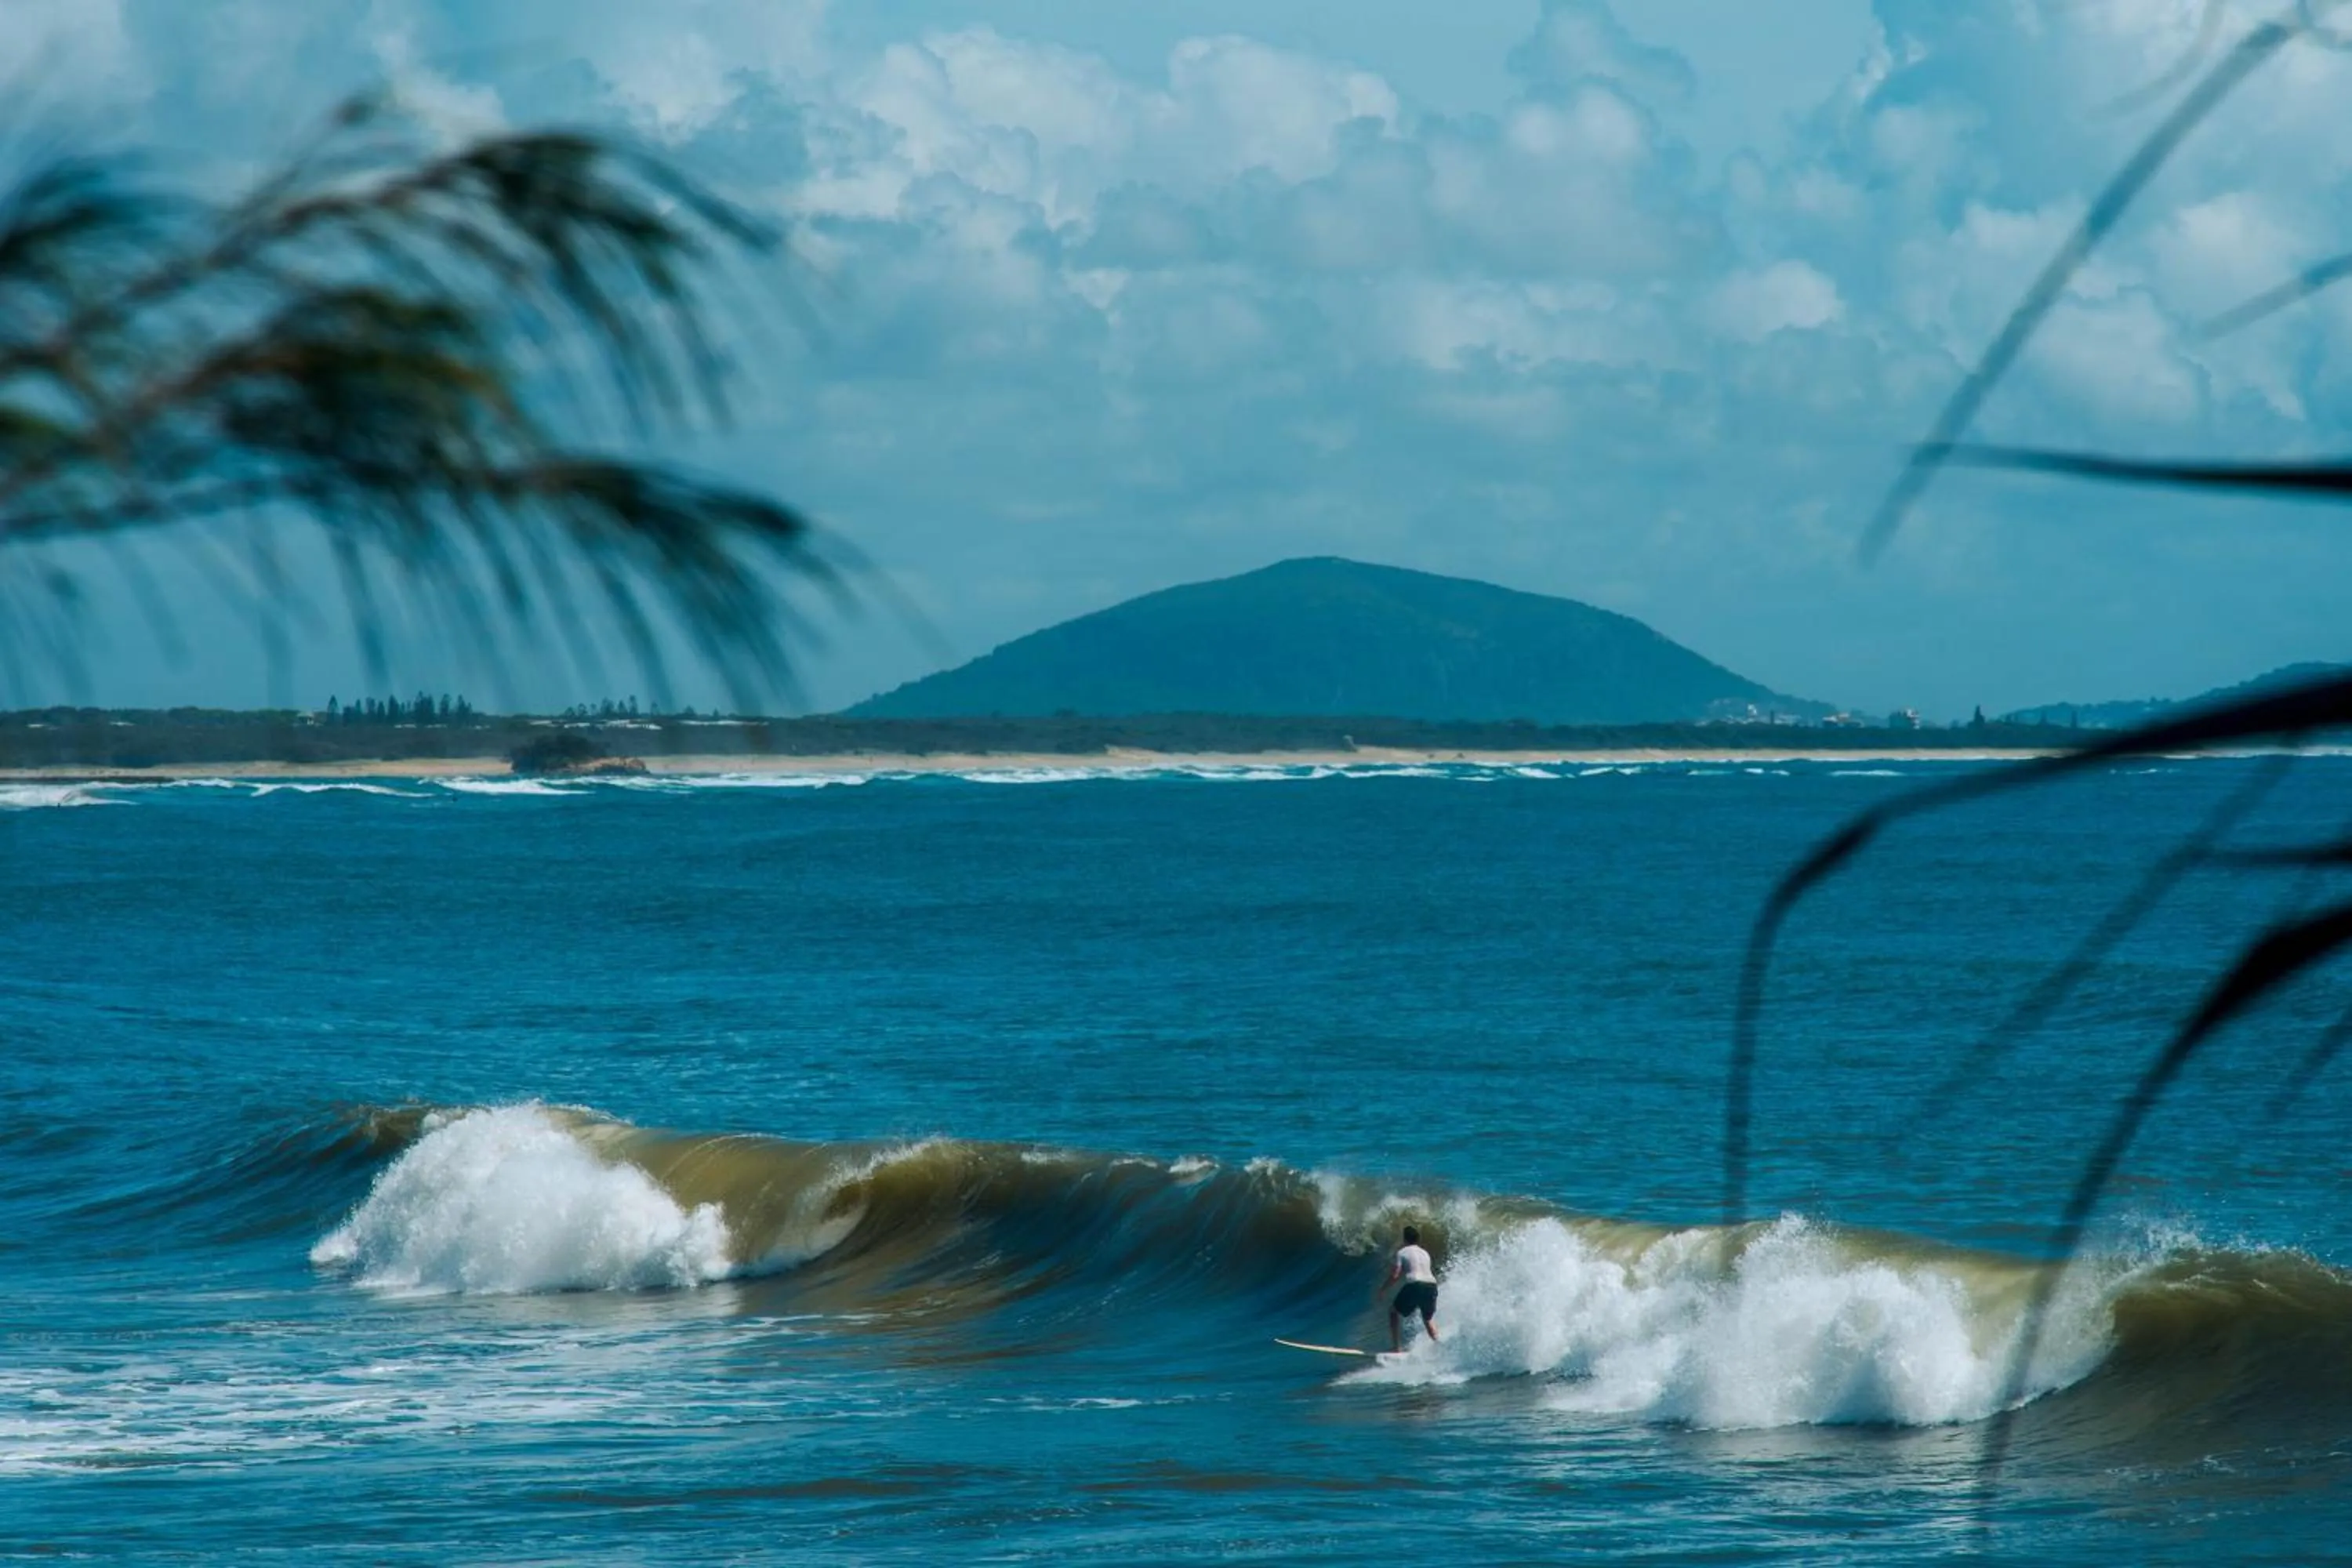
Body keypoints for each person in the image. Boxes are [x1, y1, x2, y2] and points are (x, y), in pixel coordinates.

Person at [1380, 1224, 1440, 1353]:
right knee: (1428, 1319)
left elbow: (1395, 1275)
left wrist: (1383, 1289)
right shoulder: (1425, 1253)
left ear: (1405, 1239)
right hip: (1432, 1285)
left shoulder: (1402, 1252)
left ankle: (1397, 1348)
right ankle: (1439, 1346)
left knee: (1393, 1312)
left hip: (1415, 1284)